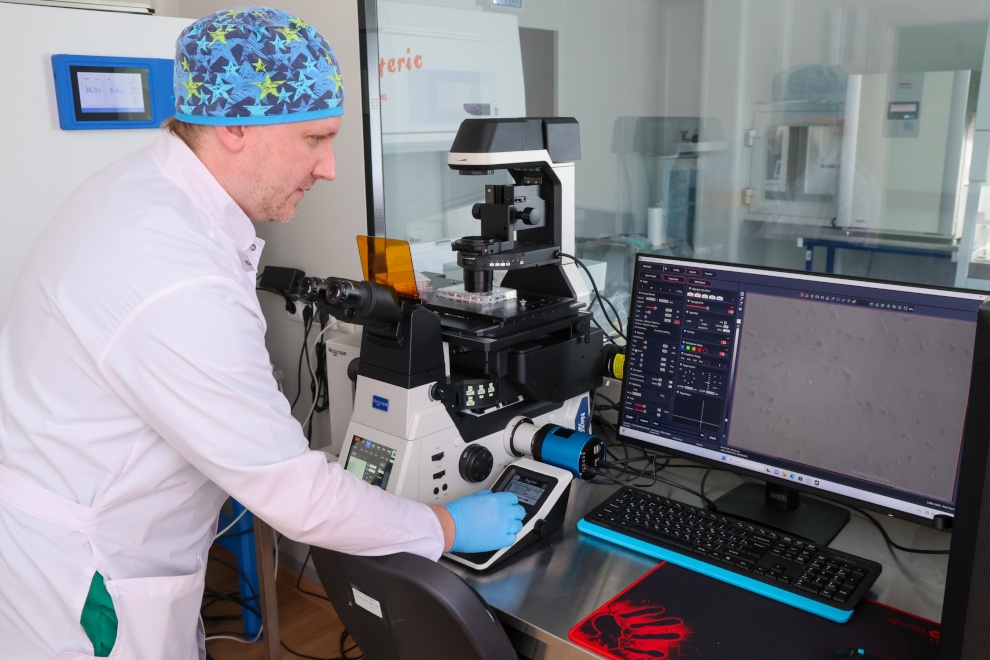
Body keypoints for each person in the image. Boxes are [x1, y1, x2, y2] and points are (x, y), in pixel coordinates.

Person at [0, 7, 524, 659]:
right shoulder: (175, 273)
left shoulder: (140, 189)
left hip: (82, 533)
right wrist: (444, 526)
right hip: (86, 577)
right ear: (235, 125)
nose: (329, 167)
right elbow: (295, 496)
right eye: (314, 139)